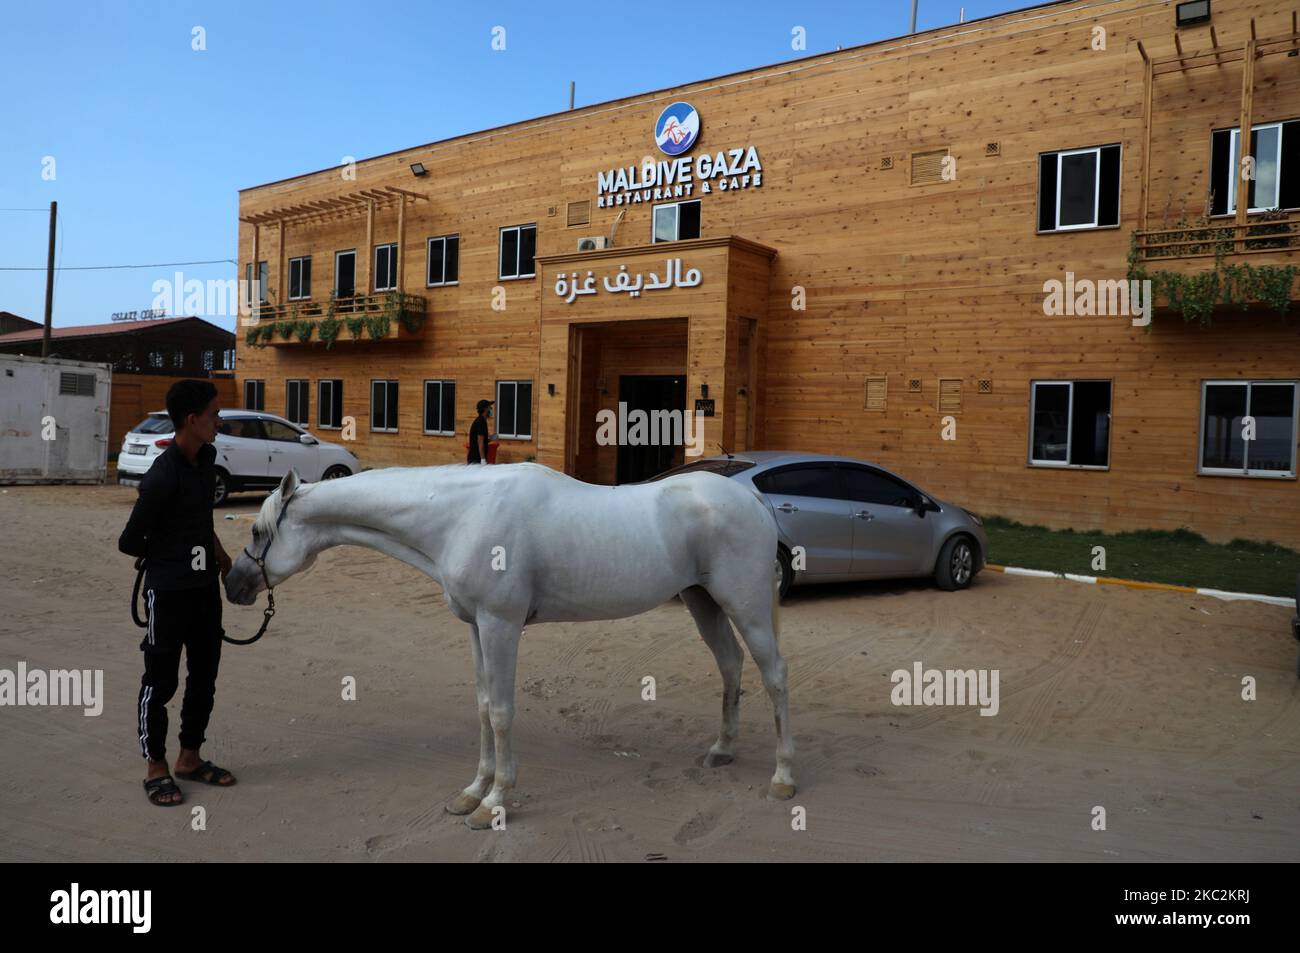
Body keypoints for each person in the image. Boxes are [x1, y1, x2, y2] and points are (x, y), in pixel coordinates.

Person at [118, 380, 237, 806]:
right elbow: (130, 541)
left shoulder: (207, 459)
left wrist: (224, 562)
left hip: (205, 591)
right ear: (193, 419)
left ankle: (189, 758)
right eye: (214, 414)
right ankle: (155, 765)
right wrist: (168, 553)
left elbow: (203, 522)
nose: (219, 421)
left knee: (204, 676)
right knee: (160, 681)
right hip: (167, 593)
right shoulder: (161, 476)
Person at [467, 398, 494, 465]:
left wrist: (490, 439)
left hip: (476, 459)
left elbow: (481, 440)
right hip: (476, 460)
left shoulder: (481, 420)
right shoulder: (480, 422)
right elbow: (480, 442)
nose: (491, 409)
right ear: (485, 409)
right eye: (489, 407)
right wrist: (483, 460)